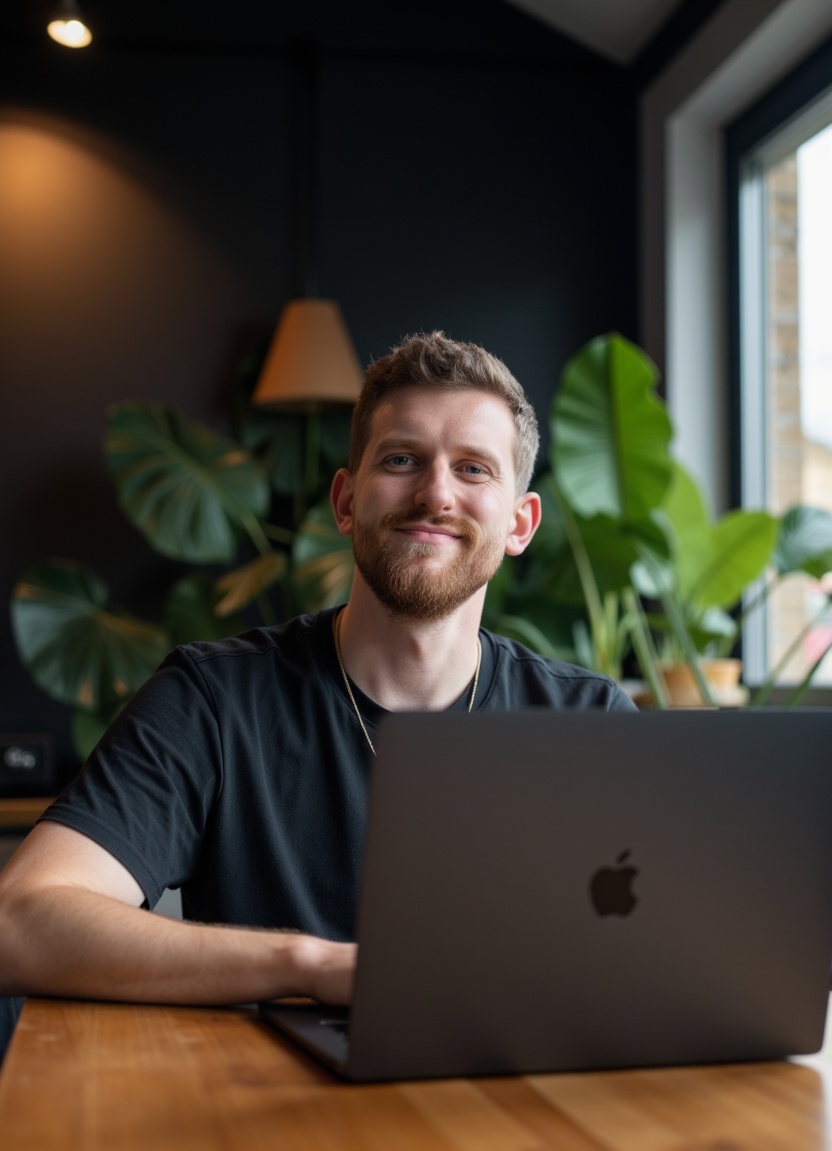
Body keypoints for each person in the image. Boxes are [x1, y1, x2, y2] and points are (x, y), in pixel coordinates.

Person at [0, 331, 635, 1019]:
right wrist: (313, 965)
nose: (435, 494)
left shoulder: (589, 720)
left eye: (475, 469)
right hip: (268, 1111)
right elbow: (19, 923)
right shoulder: (212, 700)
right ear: (345, 501)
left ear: (520, 523)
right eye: (401, 458)